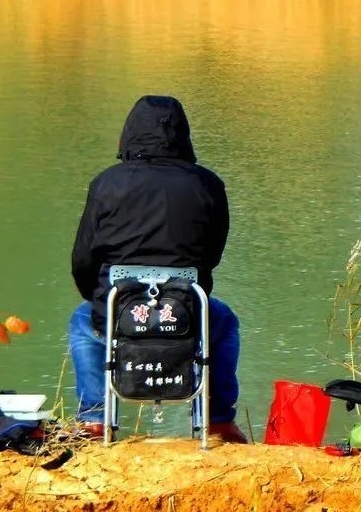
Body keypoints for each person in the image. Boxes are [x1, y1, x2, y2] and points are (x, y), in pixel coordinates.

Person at [68, 95, 248, 443]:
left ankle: (93, 421)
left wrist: (97, 300)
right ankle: (218, 421)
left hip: (119, 311)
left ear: (129, 133)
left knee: (82, 321)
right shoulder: (208, 184)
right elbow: (212, 255)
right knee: (224, 322)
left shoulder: (106, 183)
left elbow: (82, 259)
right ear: (183, 135)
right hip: (187, 312)